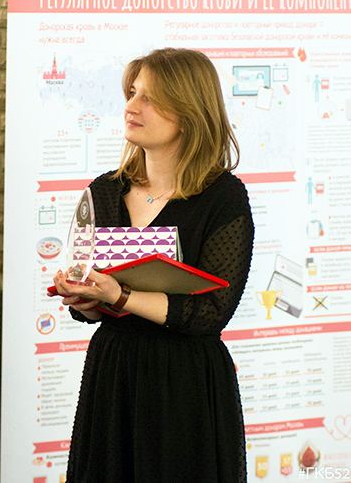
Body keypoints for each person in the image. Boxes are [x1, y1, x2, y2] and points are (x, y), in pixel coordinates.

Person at [52, 48, 253, 482]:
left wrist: (121, 295)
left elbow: (212, 311)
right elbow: (90, 304)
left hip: (184, 383)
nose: (131, 106)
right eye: (132, 93)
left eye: (150, 98)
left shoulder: (223, 197)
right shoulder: (104, 191)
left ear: (189, 112)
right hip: (114, 374)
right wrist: (85, 299)